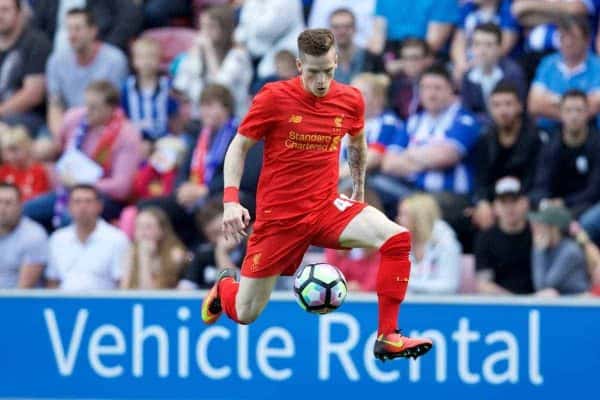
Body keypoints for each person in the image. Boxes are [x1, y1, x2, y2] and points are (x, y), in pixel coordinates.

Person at [200, 28, 433, 361]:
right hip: (279, 220)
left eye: (328, 70)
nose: (321, 80)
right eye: (313, 72)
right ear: (299, 66)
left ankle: (388, 336)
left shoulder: (351, 99)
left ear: (336, 61)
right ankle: (225, 287)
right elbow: (238, 148)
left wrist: (359, 189)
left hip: (325, 206)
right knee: (245, 312)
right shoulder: (273, 97)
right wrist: (230, 201)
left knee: (396, 238)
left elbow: (357, 144)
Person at [24, 80, 142, 231]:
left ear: (111, 109)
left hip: (102, 197)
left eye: (94, 107)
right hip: (66, 190)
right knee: (26, 210)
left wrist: (82, 183)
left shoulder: (127, 135)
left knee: (70, 217)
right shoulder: (74, 118)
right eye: (86, 104)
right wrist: (45, 149)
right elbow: (57, 149)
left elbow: (121, 187)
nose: (87, 111)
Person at [46, 8, 129, 138]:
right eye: (69, 29)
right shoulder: (56, 61)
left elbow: (112, 108)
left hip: (102, 128)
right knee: (41, 149)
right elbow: (55, 105)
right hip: (68, 127)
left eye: (78, 29)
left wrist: (82, 137)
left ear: (93, 31)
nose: (72, 35)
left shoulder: (114, 60)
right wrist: (61, 136)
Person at [471, 82, 543, 231]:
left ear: (519, 106)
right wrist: (483, 202)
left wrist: (514, 206)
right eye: (496, 105)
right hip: (495, 203)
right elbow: (481, 180)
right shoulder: (485, 140)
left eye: (508, 104)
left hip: (526, 202)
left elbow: (538, 181)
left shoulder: (536, 139)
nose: (503, 111)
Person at [45, 184, 129, 290]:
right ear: (69, 207)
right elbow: (52, 281)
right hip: (65, 303)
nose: (83, 207)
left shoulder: (116, 239)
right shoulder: (57, 239)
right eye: (77, 201)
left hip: (103, 304)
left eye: (88, 201)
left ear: (99, 206)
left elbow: (122, 283)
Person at [531, 90, 600, 217]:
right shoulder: (550, 146)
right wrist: (545, 203)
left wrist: (564, 203)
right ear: (560, 114)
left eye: (579, 110)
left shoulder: (596, 144)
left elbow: (594, 190)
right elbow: (541, 184)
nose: (574, 116)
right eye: (568, 111)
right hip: (555, 210)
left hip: (589, 208)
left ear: (587, 113)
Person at [528, 15, 600, 130]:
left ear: (587, 40)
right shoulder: (548, 63)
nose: (567, 43)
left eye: (573, 38)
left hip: (589, 135)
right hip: (547, 134)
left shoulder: (598, 66)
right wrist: (577, 110)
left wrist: (553, 99)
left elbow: (595, 106)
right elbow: (535, 105)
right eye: (562, 37)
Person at [474, 176, 534, 294]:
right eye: (503, 202)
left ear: (525, 203)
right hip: (499, 306)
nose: (509, 207)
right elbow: (483, 284)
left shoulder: (536, 233)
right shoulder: (485, 238)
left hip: (538, 302)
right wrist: (514, 302)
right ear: (495, 206)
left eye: (514, 201)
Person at [0, 0, 51, 135]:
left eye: (5, 10)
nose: (0, 15)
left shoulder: (36, 43)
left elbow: (33, 95)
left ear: (19, 13)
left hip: (28, 117)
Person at [460, 23, 526, 126]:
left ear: (499, 48)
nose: (482, 51)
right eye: (477, 44)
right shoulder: (468, 76)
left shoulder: (512, 74)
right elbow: (466, 113)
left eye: (488, 45)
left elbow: (518, 110)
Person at [398, 193, 462, 295]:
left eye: (404, 215)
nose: (399, 220)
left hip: (442, 307)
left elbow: (449, 286)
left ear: (418, 217)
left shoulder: (447, 243)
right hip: (409, 307)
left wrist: (408, 284)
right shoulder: (400, 244)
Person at [121, 37, 179, 143]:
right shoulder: (127, 87)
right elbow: (123, 114)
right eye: (142, 58)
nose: (147, 62)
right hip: (135, 139)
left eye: (151, 57)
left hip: (162, 138)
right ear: (134, 61)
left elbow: (173, 113)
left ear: (159, 60)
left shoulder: (167, 86)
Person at [529, 204, 590, 296]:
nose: (538, 228)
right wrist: (539, 250)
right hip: (559, 302)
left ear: (554, 229)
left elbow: (544, 285)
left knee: (549, 294)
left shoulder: (570, 250)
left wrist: (539, 251)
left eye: (542, 225)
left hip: (577, 302)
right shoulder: (543, 248)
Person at [121, 207, 187, 289]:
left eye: (148, 227)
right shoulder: (130, 252)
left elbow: (150, 295)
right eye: (138, 227)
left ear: (162, 230)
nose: (142, 232)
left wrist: (145, 257)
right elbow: (124, 292)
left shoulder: (175, 254)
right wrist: (130, 262)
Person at [0, 182, 48, 288]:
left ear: (20, 205)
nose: (2, 208)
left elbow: (23, 289)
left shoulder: (34, 235)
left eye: (8, 203)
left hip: (17, 302)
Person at [0, 125, 50, 202]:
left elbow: (39, 201)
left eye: (14, 150)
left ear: (26, 147)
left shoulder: (39, 171)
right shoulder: (3, 171)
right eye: (6, 151)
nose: (10, 156)